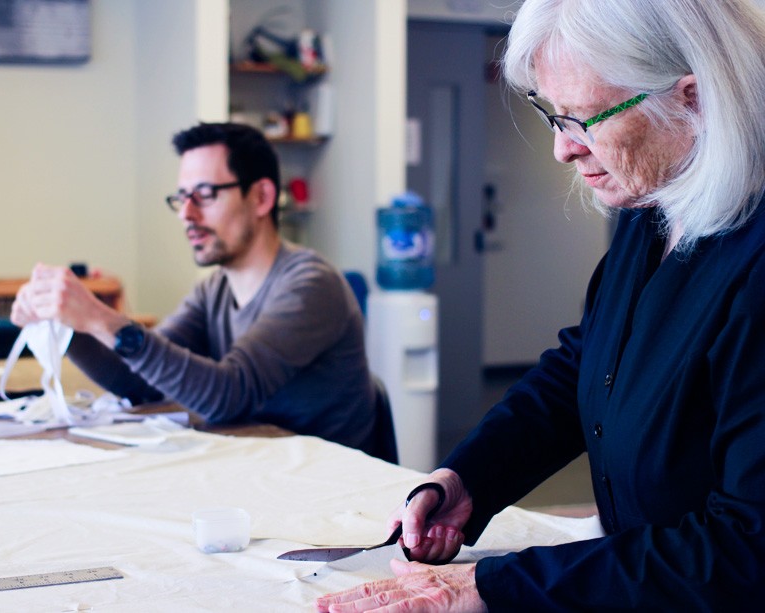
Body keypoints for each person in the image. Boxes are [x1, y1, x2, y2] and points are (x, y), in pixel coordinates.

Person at [316, 0, 765, 610]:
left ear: (694, 99)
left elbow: (747, 550)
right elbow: (585, 367)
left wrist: (493, 587)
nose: (563, 149)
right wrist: (471, 478)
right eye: (553, 115)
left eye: (584, 118)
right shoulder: (657, 207)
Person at [11, 122, 377, 454]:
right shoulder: (214, 289)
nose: (186, 214)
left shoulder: (311, 285)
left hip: (330, 493)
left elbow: (228, 396)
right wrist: (70, 324)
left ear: (262, 198)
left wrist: (100, 317)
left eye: (204, 194)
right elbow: (139, 382)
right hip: (259, 468)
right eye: (181, 197)